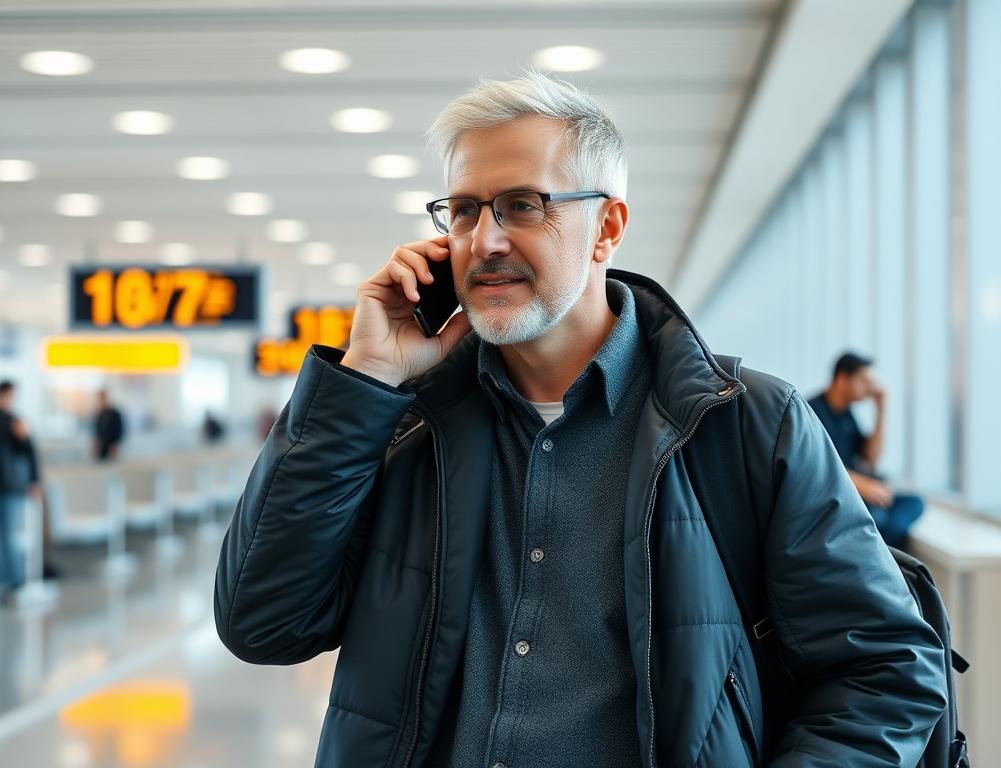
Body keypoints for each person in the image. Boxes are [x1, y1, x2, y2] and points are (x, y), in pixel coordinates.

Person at [215, 72, 947, 767]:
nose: (485, 240)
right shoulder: (402, 422)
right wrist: (364, 380)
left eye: (523, 205)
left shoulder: (745, 423)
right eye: (464, 210)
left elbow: (886, 668)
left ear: (607, 227)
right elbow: (263, 621)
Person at [808, 352, 925, 550]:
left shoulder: (846, 414)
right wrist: (863, 485)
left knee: (914, 503)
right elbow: (817, 464)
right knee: (878, 518)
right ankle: (886, 550)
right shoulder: (812, 411)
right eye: (863, 380)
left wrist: (881, 411)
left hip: (858, 494)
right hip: (836, 499)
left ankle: (882, 549)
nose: (870, 387)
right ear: (842, 380)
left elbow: (871, 458)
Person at [0, 380, 41, 599]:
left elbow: (28, 450)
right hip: (8, 485)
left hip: (10, 486)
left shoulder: (14, 421)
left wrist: (34, 481)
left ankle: (15, 581)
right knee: (5, 537)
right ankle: (7, 581)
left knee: (9, 536)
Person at [92, 388, 124, 461]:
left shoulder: (114, 413)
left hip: (112, 447)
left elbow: (120, 430)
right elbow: (97, 431)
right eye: (99, 398)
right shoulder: (99, 414)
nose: (101, 400)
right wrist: (95, 443)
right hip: (101, 448)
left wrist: (115, 444)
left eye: (103, 397)